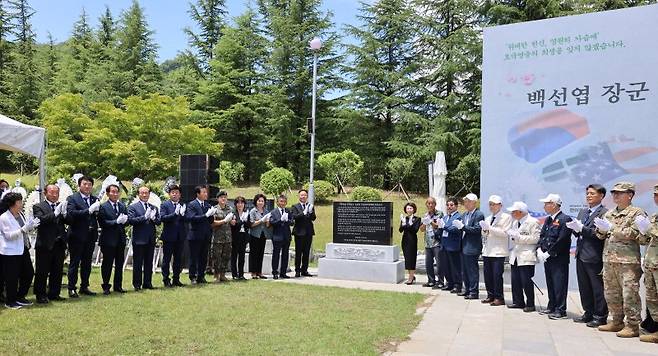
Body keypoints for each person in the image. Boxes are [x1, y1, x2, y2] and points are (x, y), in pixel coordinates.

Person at [595, 182, 645, 338]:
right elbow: (601, 235)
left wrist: (612, 229)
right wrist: (601, 230)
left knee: (629, 294)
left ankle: (633, 325)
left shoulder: (637, 213)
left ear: (630, 195)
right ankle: (616, 321)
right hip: (609, 260)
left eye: (620, 193)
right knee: (611, 293)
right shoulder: (609, 213)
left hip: (628, 262)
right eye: (614, 193)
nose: (615, 195)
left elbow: (638, 235)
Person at [566, 184, 608, 327]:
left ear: (601, 196)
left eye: (592, 193)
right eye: (587, 193)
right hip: (581, 254)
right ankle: (588, 312)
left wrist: (582, 229)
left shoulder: (604, 213)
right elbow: (579, 233)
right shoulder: (583, 212)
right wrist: (575, 229)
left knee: (597, 287)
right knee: (584, 287)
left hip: (594, 255)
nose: (589, 196)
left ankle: (600, 315)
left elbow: (599, 234)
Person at [536, 193, 572, 320]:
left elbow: (562, 240)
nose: (544, 206)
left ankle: (560, 310)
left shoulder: (565, 219)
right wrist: (540, 249)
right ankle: (552, 306)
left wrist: (549, 253)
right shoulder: (548, 219)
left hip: (558, 258)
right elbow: (543, 236)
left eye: (547, 203)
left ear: (555, 204)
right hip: (547, 258)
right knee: (550, 283)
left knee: (559, 285)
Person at [0, 192, 37, 309]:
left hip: (22, 248)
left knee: (29, 272)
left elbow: (25, 230)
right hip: (10, 251)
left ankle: (20, 296)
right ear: (12, 204)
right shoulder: (4, 217)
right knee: (12, 277)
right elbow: (8, 236)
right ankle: (10, 301)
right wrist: (23, 229)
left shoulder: (21, 214)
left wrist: (30, 227)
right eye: (19, 202)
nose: (21, 204)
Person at [66, 175, 100, 297]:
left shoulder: (94, 199)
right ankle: (71, 288)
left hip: (90, 235)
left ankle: (84, 286)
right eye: (84, 184)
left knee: (87, 263)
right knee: (75, 263)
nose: (87, 186)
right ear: (79, 185)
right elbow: (71, 213)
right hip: (76, 235)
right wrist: (88, 211)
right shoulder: (72, 198)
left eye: (89, 184)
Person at [32, 184, 68, 303]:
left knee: (57, 270)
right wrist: (55, 213)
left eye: (56, 193)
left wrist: (65, 214)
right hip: (45, 244)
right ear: (45, 193)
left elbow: (67, 221)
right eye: (52, 192)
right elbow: (40, 221)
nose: (54, 195)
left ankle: (54, 293)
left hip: (59, 243)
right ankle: (40, 294)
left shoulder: (60, 205)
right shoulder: (38, 206)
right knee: (42, 271)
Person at [506, 201, 540, 312]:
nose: (511, 213)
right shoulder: (516, 222)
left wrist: (519, 237)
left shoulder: (533, 222)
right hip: (515, 254)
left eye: (513, 211)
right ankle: (518, 301)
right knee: (515, 280)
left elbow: (536, 238)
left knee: (526, 281)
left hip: (526, 255)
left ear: (520, 212)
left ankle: (530, 304)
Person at [480, 195, 512, 306]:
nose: (492, 206)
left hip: (499, 251)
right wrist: (484, 230)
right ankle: (490, 295)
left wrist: (490, 228)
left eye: (494, 204)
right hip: (488, 250)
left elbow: (504, 233)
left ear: (500, 205)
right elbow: (485, 233)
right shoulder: (488, 218)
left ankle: (499, 297)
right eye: (490, 204)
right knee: (487, 275)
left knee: (497, 275)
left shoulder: (506, 217)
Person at [128, 186, 161, 291]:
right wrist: (144, 217)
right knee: (138, 263)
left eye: (146, 193)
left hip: (150, 239)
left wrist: (154, 218)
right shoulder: (133, 207)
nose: (145, 195)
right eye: (142, 193)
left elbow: (159, 222)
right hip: (139, 239)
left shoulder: (153, 207)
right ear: (138, 194)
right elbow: (131, 220)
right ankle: (137, 284)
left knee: (149, 262)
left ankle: (148, 282)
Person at [98, 184, 129, 295]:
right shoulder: (103, 206)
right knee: (107, 264)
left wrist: (125, 220)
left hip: (120, 239)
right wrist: (115, 222)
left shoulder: (122, 206)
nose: (115, 194)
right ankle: (106, 285)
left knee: (119, 264)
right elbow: (103, 223)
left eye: (117, 192)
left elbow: (126, 220)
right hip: (108, 240)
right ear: (107, 193)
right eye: (113, 192)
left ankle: (118, 286)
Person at [637, 184, 658, 343]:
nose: (656, 198)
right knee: (652, 298)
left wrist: (649, 229)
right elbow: (646, 240)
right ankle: (655, 327)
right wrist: (642, 232)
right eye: (655, 195)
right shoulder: (654, 216)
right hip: (651, 263)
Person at [453, 193, 484, 299]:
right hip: (463, 245)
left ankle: (474, 292)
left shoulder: (478, 214)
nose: (466, 203)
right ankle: (467, 289)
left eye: (469, 201)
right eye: (465, 201)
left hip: (472, 246)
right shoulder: (464, 214)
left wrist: (463, 227)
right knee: (464, 270)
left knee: (472, 270)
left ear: (474, 202)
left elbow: (476, 229)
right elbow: (460, 228)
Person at [185, 185, 215, 285]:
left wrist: (211, 215)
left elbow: (210, 221)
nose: (206, 194)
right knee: (194, 257)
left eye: (206, 192)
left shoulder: (207, 205)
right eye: (203, 192)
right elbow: (192, 218)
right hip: (195, 235)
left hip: (206, 235)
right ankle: (193, 276)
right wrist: (205, 215)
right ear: (198, 194)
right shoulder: (192, 205)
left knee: (203, 257)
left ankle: (201, 276)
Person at [159, 185, 186, 287]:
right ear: (169, 194)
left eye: (177, 192)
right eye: (173, 192)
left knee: (178, 259)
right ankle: (166, 279)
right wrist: (174, 214)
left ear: (180, 194)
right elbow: (163, 218)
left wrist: (183, 215)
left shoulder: (183, 204)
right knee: (167, 259)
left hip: (180, 236)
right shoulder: (165, 205)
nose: (175, 194)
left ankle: (176, 278)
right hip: (169, 236)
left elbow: (187, 219)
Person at [439, 197, 463, 294]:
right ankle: (449, 283)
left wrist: (443, 226)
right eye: (448, 205)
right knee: (446, 266)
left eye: (451, 205)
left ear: (456, 206)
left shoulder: (458, 217)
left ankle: (457, 285)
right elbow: (442, 229)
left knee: (455, 267)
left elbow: (454, 229)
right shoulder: (445, 217)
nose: (449, 207)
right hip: (444, 245)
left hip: (453, 246)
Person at [419, 197, 444, 289]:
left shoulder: (439, 214)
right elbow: (421, 230)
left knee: (439, 263)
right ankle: (431, 281)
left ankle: (441, 282)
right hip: (428, 242)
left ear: (435, 204)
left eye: (432, 203)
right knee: (428, 263)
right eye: (428, 203)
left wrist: (431, 222)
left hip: (436, 242)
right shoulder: (425, 215)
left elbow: (439, 226)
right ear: (426, 204)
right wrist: (425, 223)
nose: (430, 205)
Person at [291, 189, 316, 277]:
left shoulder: (310, 205)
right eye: (301, 195)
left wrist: (310, 211)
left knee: (306, 252)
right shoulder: (295, 206)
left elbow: (313, 218)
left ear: (307, 196)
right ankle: (297, 270)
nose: (303, 197)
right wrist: (303, 213)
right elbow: (295, 217)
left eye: (305, 195)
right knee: (298, 252)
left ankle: (304, 270)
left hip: (308, 232)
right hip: (299, 233)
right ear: (299, 196)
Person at [211, 191, 233, 283]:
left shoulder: (230, 209)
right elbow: (212, 223)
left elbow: (232, 222)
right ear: (218, 199)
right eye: (221, 197)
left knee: (226, 257)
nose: (223, 199)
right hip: (218, 238)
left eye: (225, 197)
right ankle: (216, 275)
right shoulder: (215, 209)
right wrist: (224, 221)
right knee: (217, 257)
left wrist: (232, 221)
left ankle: (223, 275)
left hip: (228, 238)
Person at [269, 194, 293, 279]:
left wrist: (287, 220)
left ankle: (283, 272)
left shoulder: (288, 211)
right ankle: (275, 272)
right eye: (281, 201)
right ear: (277, 202)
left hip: (286, 236)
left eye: (284, 202)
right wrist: (280, 220)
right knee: (276, 255)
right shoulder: (273, 212)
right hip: (277, 236)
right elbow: (272, 222)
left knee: (285, 255)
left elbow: (292, 222)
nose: (282, 203)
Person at [248, 194, 271, 279]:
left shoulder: (266, 211)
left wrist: (268, 221)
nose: (260, 202)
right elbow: (252, 224)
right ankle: (253, 272)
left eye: (262, 201)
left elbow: (268, 225)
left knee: (261, 253)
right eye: (259, 201)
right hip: (254, 235)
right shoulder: (253, 211)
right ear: (256, 202)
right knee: (254, 253)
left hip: (263, 234)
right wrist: (261, 220)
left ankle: (259, 272)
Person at [399, 202, 421, 285]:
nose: (409, 210)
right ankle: (411, 275)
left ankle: (410, 278)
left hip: (412, 240)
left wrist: (408, 224)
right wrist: (403, 222)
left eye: (411, 208)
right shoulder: (405, 218)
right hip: (405, 240)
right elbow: (400, 230)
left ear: (414, 209)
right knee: (407, 258)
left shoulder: (417, 219)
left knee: (412, 258)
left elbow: (414, 230)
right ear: (405, 209)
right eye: (408, 208)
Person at [230, 196, 249, 280]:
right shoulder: (233, 213)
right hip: (235, 236)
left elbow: (249, 225)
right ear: (235, 204)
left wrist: (245, 221)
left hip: (243, 236)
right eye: (238, 203)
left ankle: (241, 274)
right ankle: (234, 274)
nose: (240, 205)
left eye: (242, 203)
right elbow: (234, 225)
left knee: (242, 256)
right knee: (234, 256)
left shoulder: (246, 213)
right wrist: (241, 221)